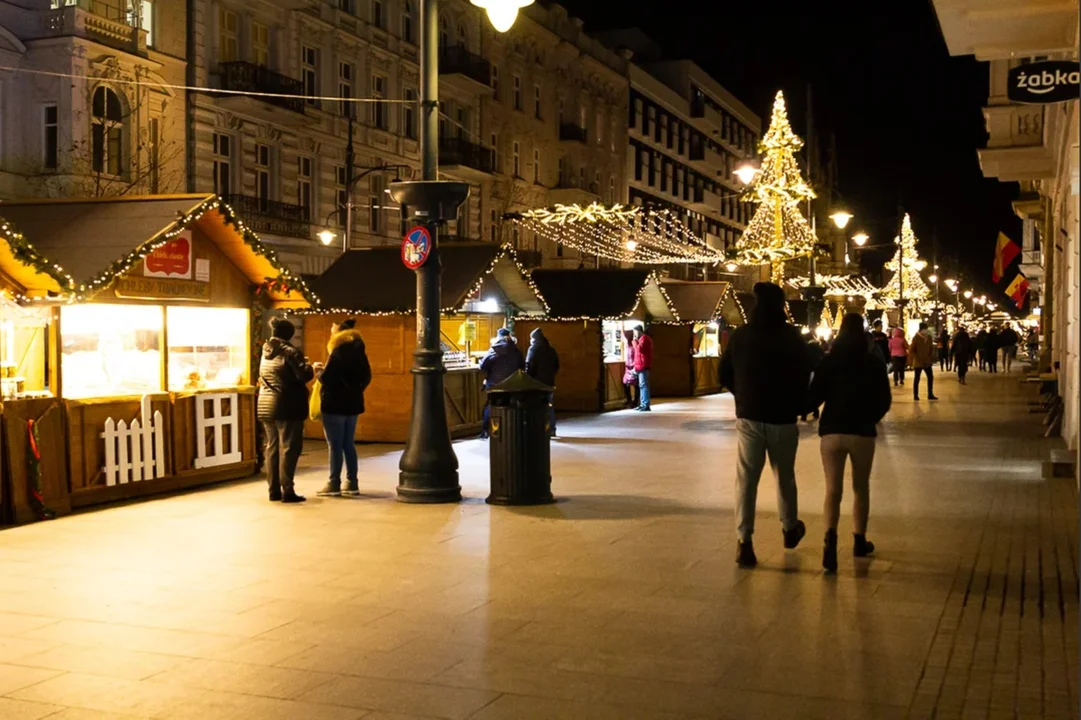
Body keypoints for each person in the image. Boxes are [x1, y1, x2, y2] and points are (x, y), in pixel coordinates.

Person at [719, 282, 810, 568]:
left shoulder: (742, 335)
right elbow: (805, 372)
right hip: (783, 418)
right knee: (785, 476)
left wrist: (742, 395)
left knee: (746, 480)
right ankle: (789, 527)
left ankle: (744, 541)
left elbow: (724, 372)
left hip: (750, 417)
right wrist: (798, 404)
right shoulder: (792, 336)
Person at [807, 314, 892, 572]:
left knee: (832, 490)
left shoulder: (829, 361)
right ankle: (858, 540)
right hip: (862, 432)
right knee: (860, 487)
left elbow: (814, 396)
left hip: (832, 431)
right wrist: (871, 417)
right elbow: (884, 399)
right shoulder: (873, 363)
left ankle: (830, 543)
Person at [257, 317, 314, 504]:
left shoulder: (265, 351)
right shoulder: (290, 352)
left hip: (266, 405)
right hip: (287, 405)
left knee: (272, 447)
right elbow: (303, 375)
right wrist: (311, 368)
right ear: (289, 334)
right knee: (290, 447)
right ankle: (287, 490)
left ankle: (273, 490)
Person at [315, 319, 371, 497]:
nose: (330, 330)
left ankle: (333, 483)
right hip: (353, 404)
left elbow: (329, 378)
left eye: (332, 327)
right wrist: (356, 390)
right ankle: (352, 482)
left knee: (334, 445)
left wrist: (318, 372)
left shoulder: (338, 351)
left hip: (334, 403)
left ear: (339, 331)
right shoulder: (359, 350)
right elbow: (367, 376)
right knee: (348, 443)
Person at [479, 328, 525, 437]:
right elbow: (522, 367)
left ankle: (488, 430)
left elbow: (483, 366)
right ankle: (510, 430)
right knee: (510, 406)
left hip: (495, 384)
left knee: (491, 406)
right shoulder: (516, 350)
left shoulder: (493, 350)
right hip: (512, 384)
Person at [525, 327, 560, 437]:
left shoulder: (533, 349)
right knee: (549, 406)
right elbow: (556, 366)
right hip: (549, 383)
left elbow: (530, 366)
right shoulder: (551, 349)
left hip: (536, 384)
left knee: (537, 407)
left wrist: (528, 378)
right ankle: (551, 428)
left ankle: (539, 429)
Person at [908, 322, 938, 401]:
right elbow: (911, 350)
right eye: (925, 329)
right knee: (917, 378)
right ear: (921, 329)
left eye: (926, 329)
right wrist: (917, 358)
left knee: (930, 377)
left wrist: (930, 358)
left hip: (927, 361)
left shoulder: (929, 338)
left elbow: (931, 348)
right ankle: (915, 395)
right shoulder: (916, 338)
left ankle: (930, 394)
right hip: (918, 362)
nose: (926, 331)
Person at [800, 335, 825, 422]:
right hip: (817, 372)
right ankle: (815, 411)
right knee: (813, 392)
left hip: (808, 371)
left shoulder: (806, 348)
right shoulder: (819, 347)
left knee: (806, 392)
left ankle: (804, 414)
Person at [632, 326, 653, 412]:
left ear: (639, 331)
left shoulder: (644, 339)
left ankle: (645, 404)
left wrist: (634, 342)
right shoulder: (642, 339)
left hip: (643, 365)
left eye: (635, 332)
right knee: (642, 385)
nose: (634, 334)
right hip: (640, 365)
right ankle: (642, 404)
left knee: (643, 385)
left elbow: (640, 350)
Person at [621, 329, 638, 409]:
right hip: (628, 367)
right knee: (625, 383)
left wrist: (634, 365)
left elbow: (636, 355)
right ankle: (629, 399)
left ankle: (635, 401)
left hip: (633, 367)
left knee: (635, 384)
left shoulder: (634, 344)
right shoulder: (627, 345)